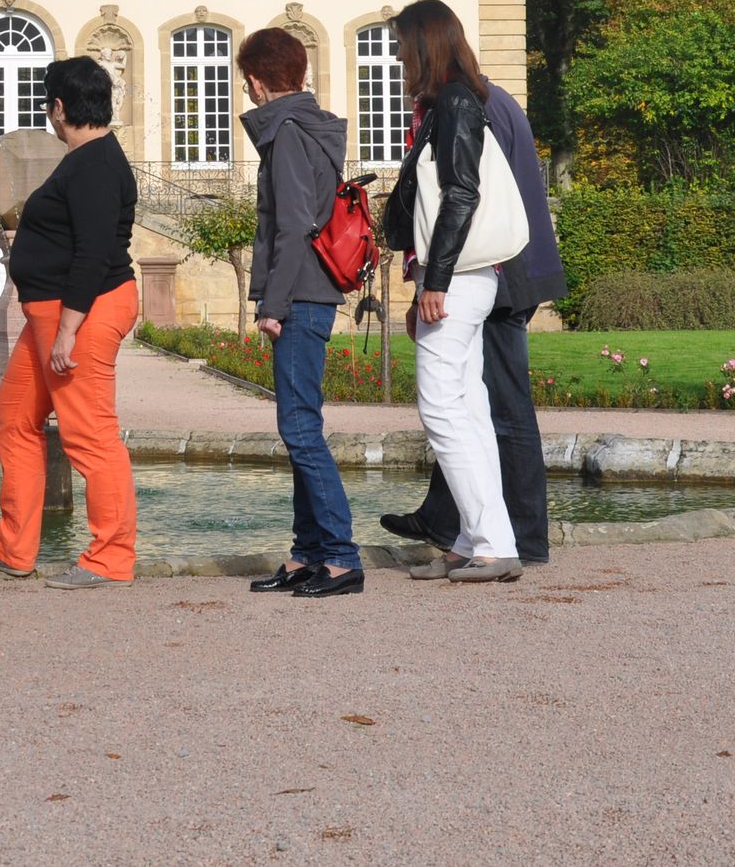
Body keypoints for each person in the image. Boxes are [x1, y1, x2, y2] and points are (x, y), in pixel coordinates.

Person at [0, 56, 140, 590]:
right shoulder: (86, 158)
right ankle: (13, 547)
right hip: (56, 311)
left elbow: (90, 255)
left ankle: (110, 558)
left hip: (81, 310)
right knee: (15, 415)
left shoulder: (95, 165)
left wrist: (67, 330)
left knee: (90, 435)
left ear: (59, 107)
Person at [381, 61, 566, 566]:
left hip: (493, 270)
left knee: (494, 407)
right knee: (475, 401)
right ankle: (461, 525)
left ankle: (516, 537)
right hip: (497, 269)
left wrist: (432, 280)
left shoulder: (465, 105)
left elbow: (463, 197)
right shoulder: (486, 99)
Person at [235, 29, 363, 598]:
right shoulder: (310, 126)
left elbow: (292, 225)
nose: (246, 88)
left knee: (300, 430)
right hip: (312, 292)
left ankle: (340, 556)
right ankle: (307, 553)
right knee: (299, 428)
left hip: (301, 296)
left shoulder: (286, 132)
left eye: (247, 79)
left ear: (259, 80)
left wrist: (273, 303)